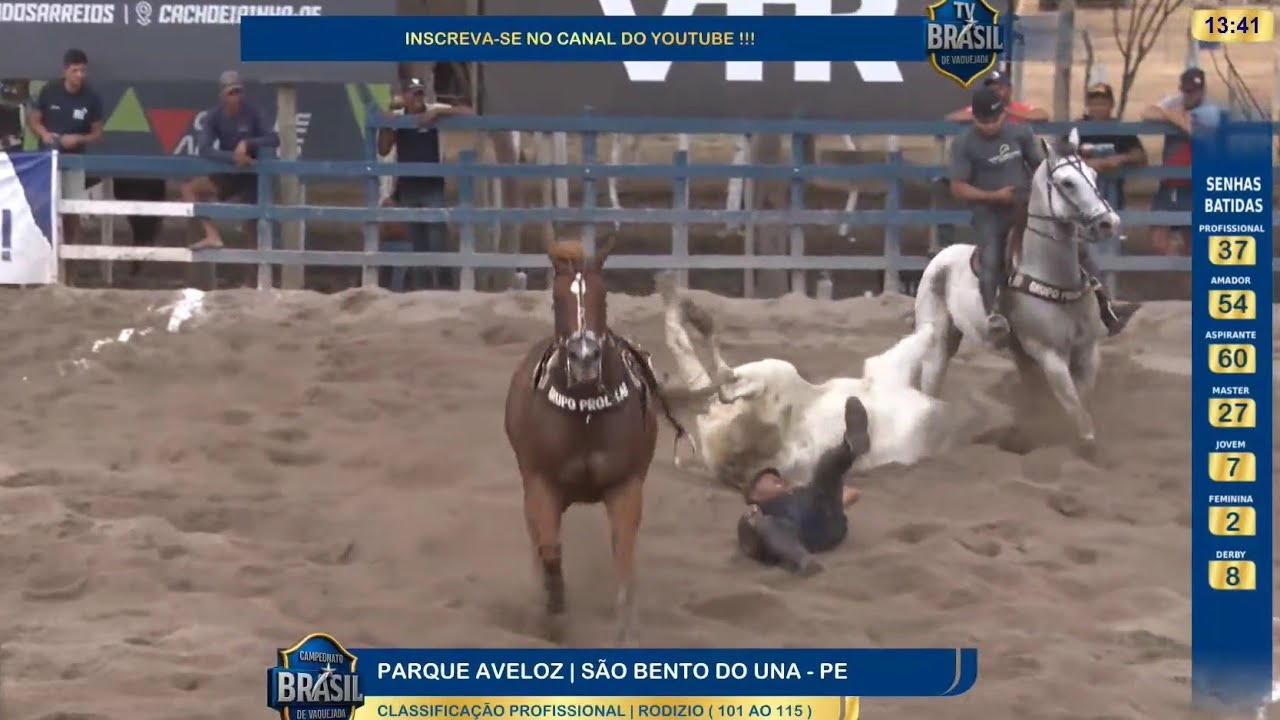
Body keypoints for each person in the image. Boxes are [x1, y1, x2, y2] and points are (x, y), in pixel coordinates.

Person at [948, 86, 1044, 343]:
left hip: (1026, 205)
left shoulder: (1021, 133)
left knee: (1071, 242)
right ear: (975, 118)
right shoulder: (964, 143)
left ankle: (1102, 303)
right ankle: (993, 314)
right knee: (991, 258)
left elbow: (1041, 166)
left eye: (995, 119)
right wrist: (993, 196)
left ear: (1004, 114)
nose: (990, 126)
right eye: (983, 121)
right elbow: (958, 186)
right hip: (989, 211)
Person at [737, 396, 870, 576]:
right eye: (769, 479)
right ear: (754, 495)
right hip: (809, 534)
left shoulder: (800, 492)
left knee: (826, 465)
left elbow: (853, 493)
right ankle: (803, 561)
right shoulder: (764, 515)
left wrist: (836, 500)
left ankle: (851, 447)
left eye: (778, 478)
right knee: (769, 526)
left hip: (829, 521)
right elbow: (757, 539)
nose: (778, 479)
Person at [376, 77, 473, 291]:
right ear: (406, 96)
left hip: (432, 187)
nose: (418, 97)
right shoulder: (399, 118)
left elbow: (468, 112)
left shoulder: (434, 110)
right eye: (414, 93)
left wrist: (439, 113)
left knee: (438, 241)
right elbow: (383, 149)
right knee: (417, 244)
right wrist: (386, 124)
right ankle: (422, 291)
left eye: (420, 93)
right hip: (408, 189)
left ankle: (447, 289)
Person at [182, 70, 279, 251]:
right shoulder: (214, 116)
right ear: (222, 95)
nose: (236, 97)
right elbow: (204, 148)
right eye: (231, 93)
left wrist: (247, 143)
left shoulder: (254, 112)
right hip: (229, 171)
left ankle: (253, 279)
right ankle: (212, 235)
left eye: (238, 92)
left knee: (253, 227)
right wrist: (232, 157)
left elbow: (273, 139)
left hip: (253, 175)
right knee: (190, 190)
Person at [1140, 68, 1221, 256]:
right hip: (1169, 183)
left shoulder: (1210, 110)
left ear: (1202, 90)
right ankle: (1174, 273)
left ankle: (1189, 279)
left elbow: (1195, 130)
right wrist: (1174, 115)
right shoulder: (1175, 104)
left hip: (1196, 183)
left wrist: (1170, 115)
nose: (1190, 95)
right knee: (1158, 238)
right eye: (1187, 91)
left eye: (1194, 91)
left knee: (1191, 244)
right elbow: (1147, 112)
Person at [27, 49, 104, 245]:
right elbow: (34, 120)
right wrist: (45, 134)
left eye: (83, 71)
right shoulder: (49, 90)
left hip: (74, 162)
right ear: (65, 71)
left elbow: (97, 134)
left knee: (72, 211)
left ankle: (71, 264)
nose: (79, 75)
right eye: (75, 70)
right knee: (42, 208)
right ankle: (44, 255)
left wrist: (77, 138)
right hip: (46, 160)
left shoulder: (91, 97)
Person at [1077, 82, 1147, 214]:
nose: (1098, 108)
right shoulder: (1077, 128)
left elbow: (1140, 156)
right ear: (1088, 105)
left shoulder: (1120, 129)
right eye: (1094, 104)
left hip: (1113, 195)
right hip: (1080, 196)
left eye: (1103, 104)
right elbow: (1060, 156)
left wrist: (1122, 158)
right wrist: (1087, 163)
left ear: (1111, 105)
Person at [944, 71, 1049, 123]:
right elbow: (952, 117)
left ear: (1009, 89)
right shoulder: (982, 107)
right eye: (992, 90)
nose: (996, 92)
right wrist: (985, 113)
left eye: (1000, 88)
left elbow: (1043, 115)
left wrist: (1007, 111)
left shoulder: (1019, 108)